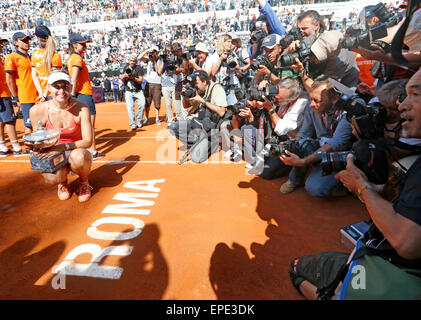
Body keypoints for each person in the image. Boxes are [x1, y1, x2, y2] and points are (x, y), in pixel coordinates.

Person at [289, 69, 421, 300]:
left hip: (392, 274)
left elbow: (405, 241)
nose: (402, 107)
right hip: (388, 260)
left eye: (415, 95)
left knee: (296, 269)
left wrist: (360, 184)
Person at [279, 78, 353, 197]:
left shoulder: (347, 110)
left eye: (316, 100)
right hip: (321, 148)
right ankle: (294, 180)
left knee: (315, 188)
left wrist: (303, 161)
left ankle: (344, 184)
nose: (311, 104)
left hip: (340, 155)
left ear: (334, 99)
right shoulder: (312, 107)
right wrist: (292, 145)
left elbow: (336, 143)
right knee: (299, 144)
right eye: (311, 98)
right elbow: (304, 132)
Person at [28, 71, 93, 202]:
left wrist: (63, 147)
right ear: (48, 88)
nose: (61, 90)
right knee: (51, 178)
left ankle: (83, 182)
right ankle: (62, 182)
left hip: (76, 150)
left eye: (65, 86)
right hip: (54, 152)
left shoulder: (82, 108)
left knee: (80, 157)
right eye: (56, 86)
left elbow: (87, 141)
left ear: (71, 87)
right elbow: (38, 140)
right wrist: (36, 148)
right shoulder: (37, 111)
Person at [168, 70, 227, 163]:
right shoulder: (198, 89)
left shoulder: (217, 89)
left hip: (210, 128)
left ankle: (214, 144)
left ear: (204, 82)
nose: (195, 85)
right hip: (197, 122)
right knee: (172, 127)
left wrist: (203, 101)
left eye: (196, 83)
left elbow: (222, 111)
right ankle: (196, 143)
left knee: (196, 158)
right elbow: (186, 106)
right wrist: (185, 95)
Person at [67, 33, 104, 159]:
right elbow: (75, 78)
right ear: (75, 45)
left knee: (83, 125)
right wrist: (72, 94)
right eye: (82, 44)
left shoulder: (73, 58)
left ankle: (88, 150)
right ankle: (92, 150)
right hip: (83, 93)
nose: (85, 46)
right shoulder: (76, 58)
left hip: (80, 93)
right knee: (89, 125)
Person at [5, 32, 38, 135]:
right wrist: (15, 97)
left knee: (39, 123)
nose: (26, 42)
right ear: (15, 43)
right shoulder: (12, 57)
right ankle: (31, 147)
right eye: (23, 41)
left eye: (27, 40)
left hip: (37, 95)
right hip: (25, 96)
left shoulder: (31, 57)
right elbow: (9, 79)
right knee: (29, 124)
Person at [0, 37, 24, 156]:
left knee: (1, 120)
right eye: (0, 43)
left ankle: (2, 146)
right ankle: (16, 146)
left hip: (3, 93)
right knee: (9, 120)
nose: (2, 46)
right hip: (2, 94)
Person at [31, 25, 63, 102]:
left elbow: (34, 75)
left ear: (38, 38)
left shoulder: (35, 54)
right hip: (52, 94)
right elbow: (53, 77)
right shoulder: (55, 56)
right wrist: (45, 95)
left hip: (40, 95)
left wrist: (41, 94)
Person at [119, 55, 145, 130]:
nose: (132, 62)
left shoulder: (139, 68)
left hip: (138, 90)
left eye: (134, 60)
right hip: (128, 91)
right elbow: (121, 78)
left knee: (142, 104)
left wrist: (133, 78)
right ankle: (133, 123)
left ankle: (139, 120)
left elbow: (141, 81)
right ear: (129, 61)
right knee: (130, 107)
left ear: (136, 61)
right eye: (131, 60)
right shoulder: (125, 67)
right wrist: (125, 75)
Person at [142, 46, 163, 126]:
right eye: (152, 52)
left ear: (157, 52)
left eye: (155, 52)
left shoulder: (161, 60)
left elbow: (159, 72)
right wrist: (147, 51)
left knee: (157, 103)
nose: (153, 54)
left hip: (157, 83)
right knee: (147, 102)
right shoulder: (148, 60)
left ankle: (157, 118)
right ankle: (146, 118)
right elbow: (139, 58)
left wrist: (154, 61)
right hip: (148, 83)